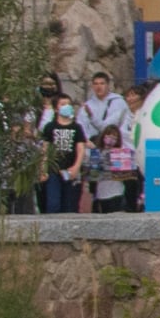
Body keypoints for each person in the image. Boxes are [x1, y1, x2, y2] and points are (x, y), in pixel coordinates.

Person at [30, 77, 88, 214]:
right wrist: (43, 168)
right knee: (53, 203)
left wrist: (76, 167)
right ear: (56, 109)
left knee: (69, 205)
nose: (66, 107)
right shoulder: (50, 127)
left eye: (68, 104)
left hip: (71, 170)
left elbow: (80, 148)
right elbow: (45, 148)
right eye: (63, 104)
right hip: (54, 170)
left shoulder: (77, 127)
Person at [83, 73, 137, 214]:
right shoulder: (88, 105)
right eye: (96, 83)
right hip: (101, 195)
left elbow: (125, 176)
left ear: (108, 85)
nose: (99, 87)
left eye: (102, 83)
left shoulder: (119, 103)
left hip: (117, 194)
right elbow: (95, 175)